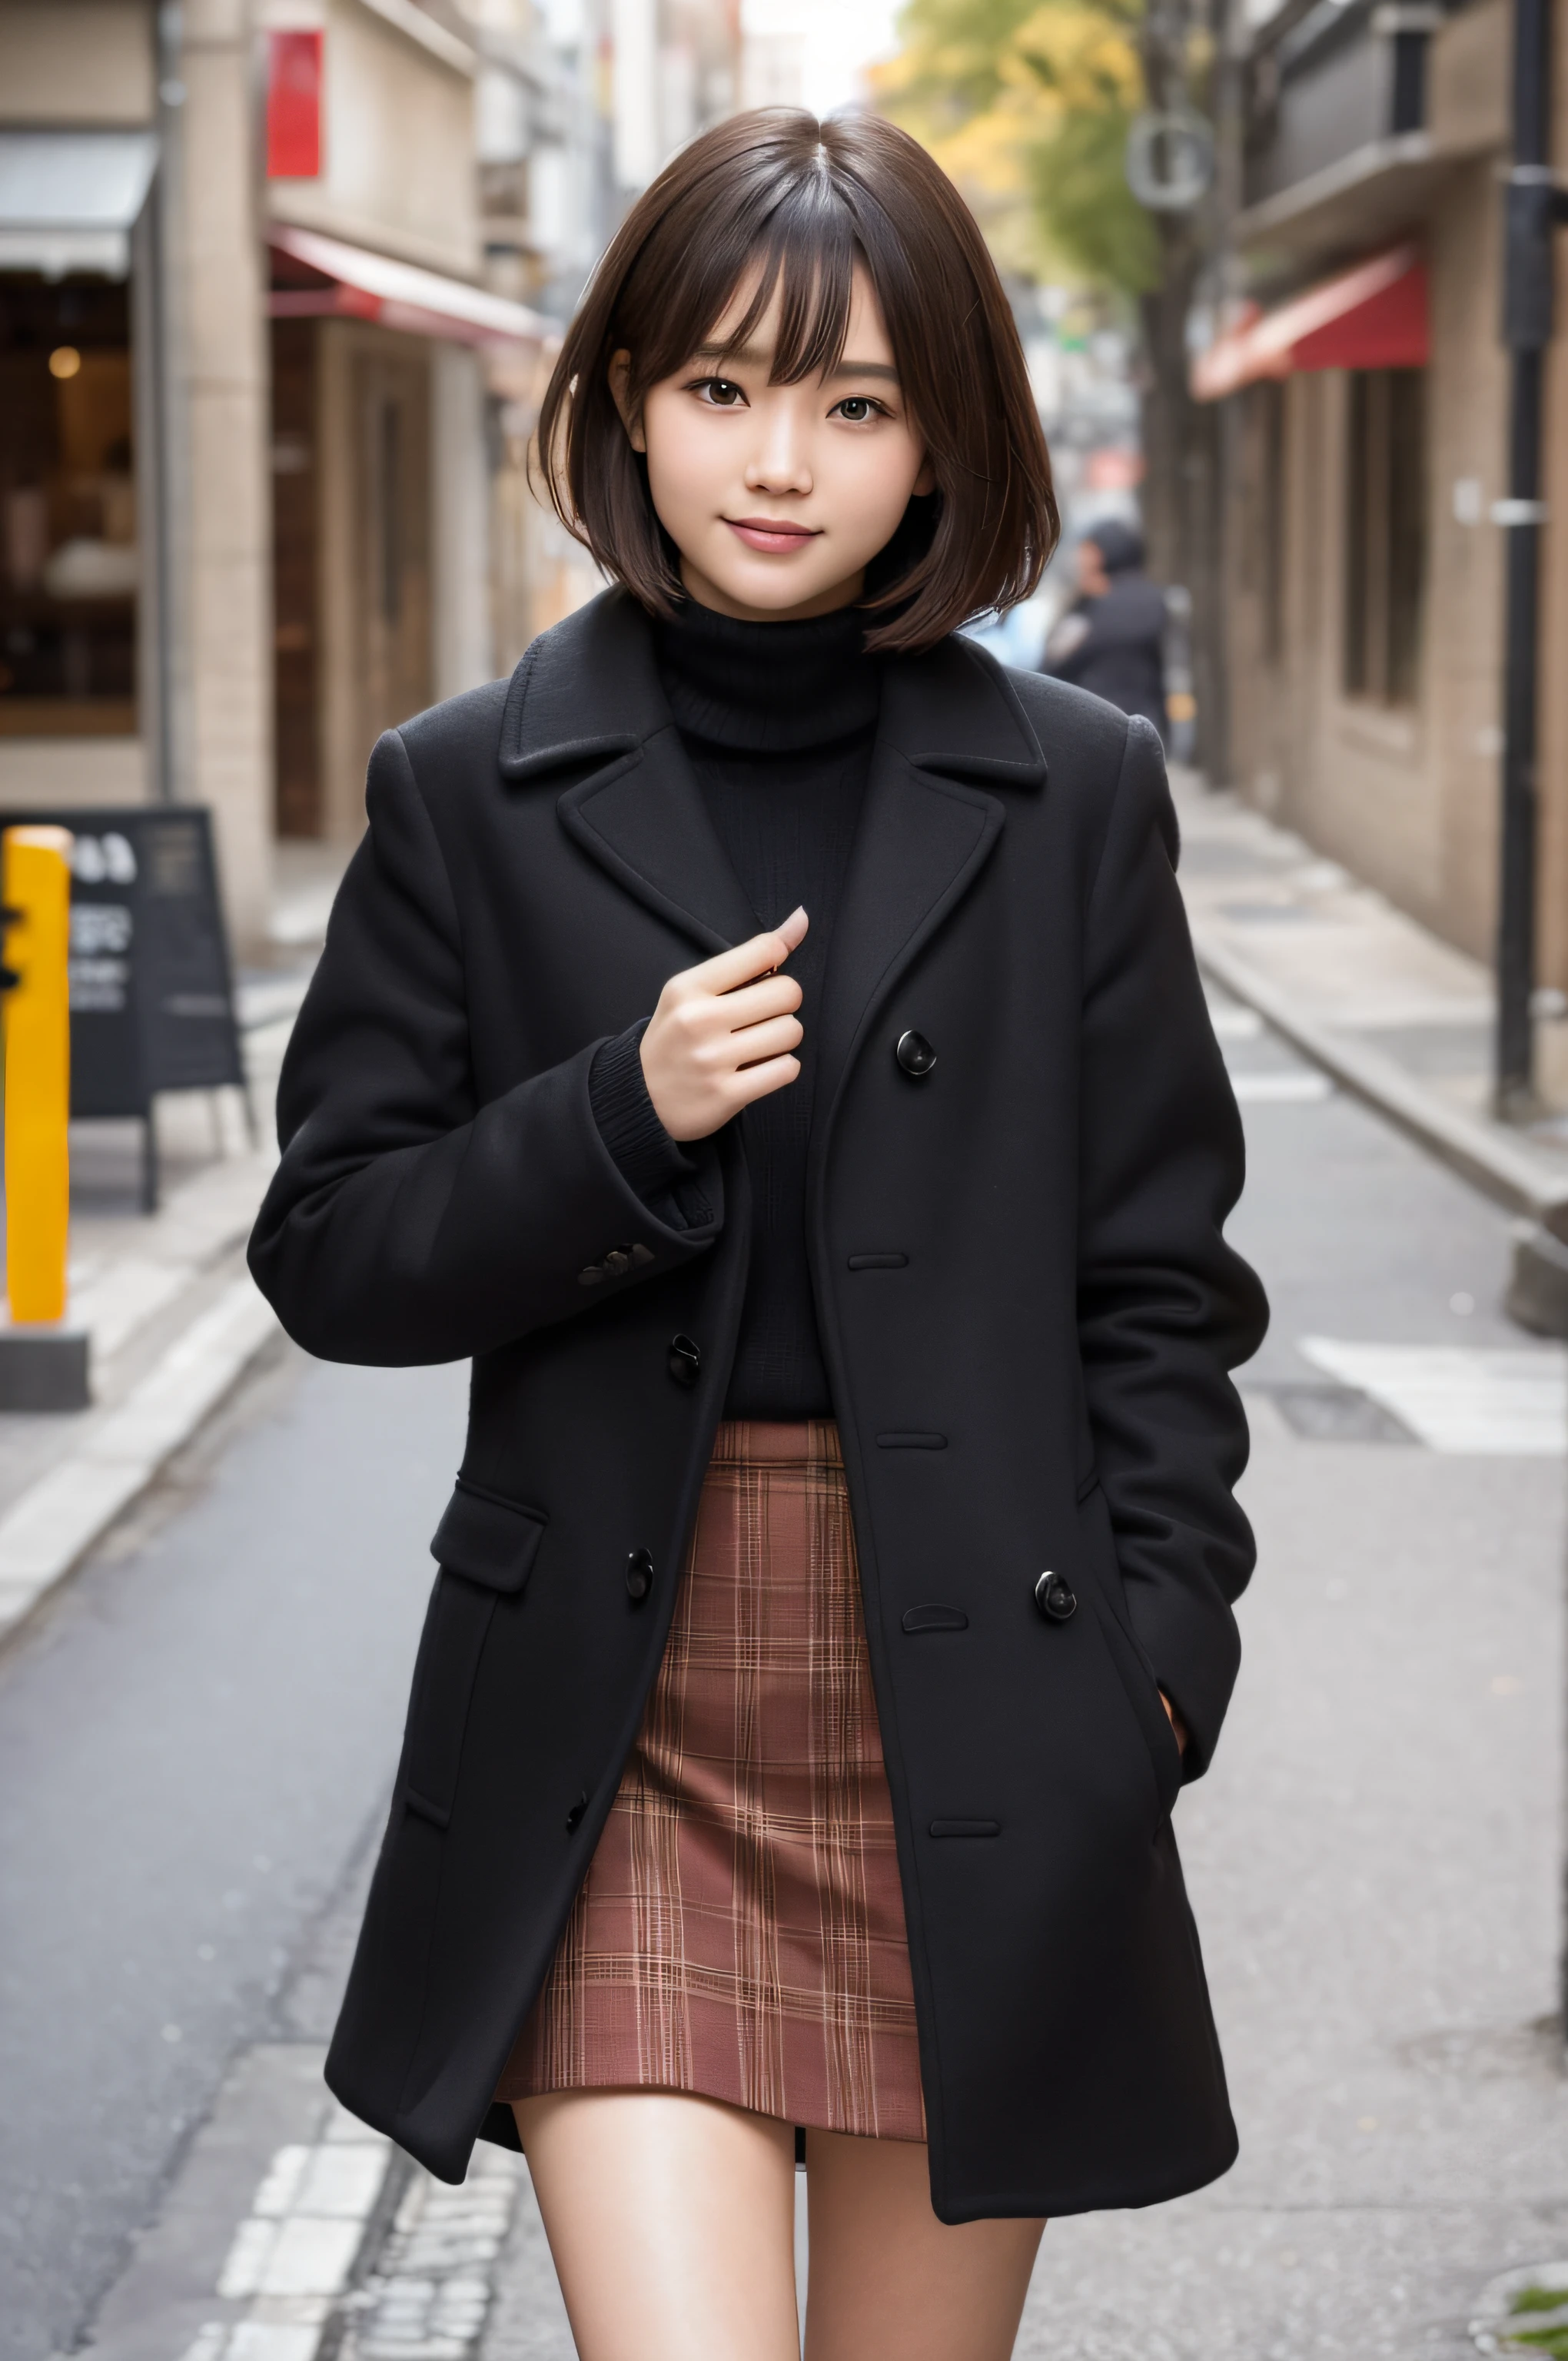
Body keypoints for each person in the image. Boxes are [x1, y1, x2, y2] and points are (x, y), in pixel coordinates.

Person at [248, 109, 1267, 2361]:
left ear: (942, 441)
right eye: (718, 385)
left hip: (981, 1713)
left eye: (852, 399)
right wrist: (616, 1114)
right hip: (627, 1721)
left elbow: (1158, 1294)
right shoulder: (464, 784)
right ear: (624, 401)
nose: (776, 456)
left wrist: (1150, 1678)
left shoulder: (1074, 786)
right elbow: (331, 1244)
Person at [1042, 517, 1171, 740]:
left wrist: (1080, 601)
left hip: (1095, 721)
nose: (1079, 560)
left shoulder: (1098, 601)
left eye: (1087, 551)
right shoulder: (1155, 599)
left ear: (1101, 555)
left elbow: (1056, 656)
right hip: (1145, 724)